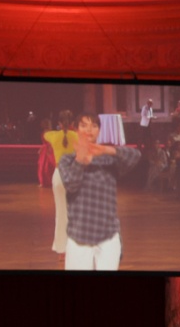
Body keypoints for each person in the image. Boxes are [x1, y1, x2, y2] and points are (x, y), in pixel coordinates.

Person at [56, 112, 143, 271]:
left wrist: (105, 150)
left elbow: (135, 156)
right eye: (84, 125)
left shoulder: (108, 160)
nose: (89, 129)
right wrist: (80, 161)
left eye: (94, 126)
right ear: (76, 129)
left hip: (108, 236)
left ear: (99, 130)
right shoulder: (67, 160)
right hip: (79, 237)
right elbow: (71, 184)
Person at [41, 109, 77, 256]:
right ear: (73, 123)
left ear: (59, 123)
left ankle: (61, 245)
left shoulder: (53, 136)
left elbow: (45, 134)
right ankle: (74, 245)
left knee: (60, 212)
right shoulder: (77, 136)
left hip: (58, 176)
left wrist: (56, 128)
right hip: (73, 175)